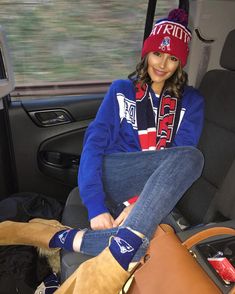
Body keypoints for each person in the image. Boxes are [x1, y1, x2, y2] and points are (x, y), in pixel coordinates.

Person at [0, 8, 204, 294]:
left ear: (180, 63)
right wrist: (94, 205)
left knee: (187, 165)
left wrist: (139, 204)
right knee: (185, 166)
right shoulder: (122, 90)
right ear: (147, 53)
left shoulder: (192, 101)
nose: (163, 64)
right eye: (158, 53)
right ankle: (112, 239)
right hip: (115, 174)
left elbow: (175, 161)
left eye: (173, 58)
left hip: (154, 188)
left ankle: (70, 239)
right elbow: (94, 145)